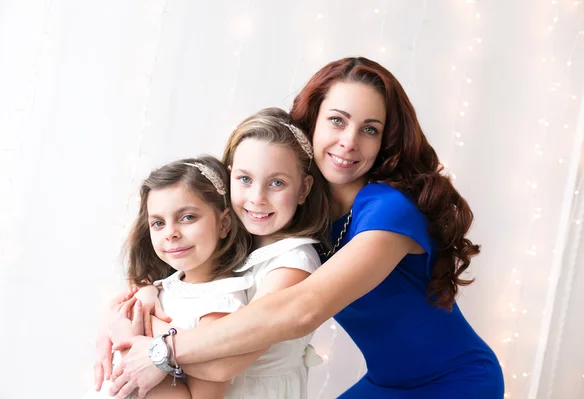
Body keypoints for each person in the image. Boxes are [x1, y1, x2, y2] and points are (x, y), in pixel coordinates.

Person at [109, 57, 505, 398]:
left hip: (455, 381)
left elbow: (301, 310)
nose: (349, 142)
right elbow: (200, 248)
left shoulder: (390, 212)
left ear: (385, 141)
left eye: (370, 129)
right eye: (337, 121)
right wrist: (133, 306)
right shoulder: (292, 205)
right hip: (388, 382)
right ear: (312, 122)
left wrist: (163, 350)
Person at [86, 155, 254, 398]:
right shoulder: (161, 287)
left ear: (224, 223)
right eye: (158, 223)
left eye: (187, 217)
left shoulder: (221, 304)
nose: (171, 233)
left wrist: (131, 343)